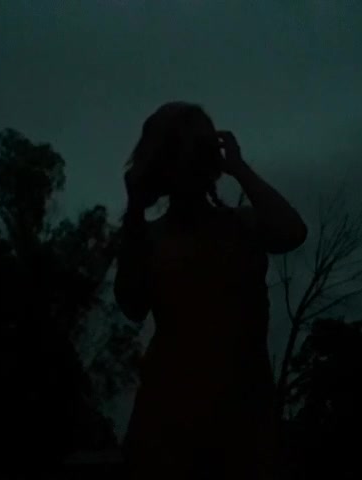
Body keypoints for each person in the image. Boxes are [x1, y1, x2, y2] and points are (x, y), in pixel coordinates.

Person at [115, 101, 307, 480]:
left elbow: (292, 232)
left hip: (241, 422)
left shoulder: (243, 225)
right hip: (168, 426)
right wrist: (135, 209)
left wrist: (238, 167)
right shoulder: (149, 239)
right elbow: (132, 304)